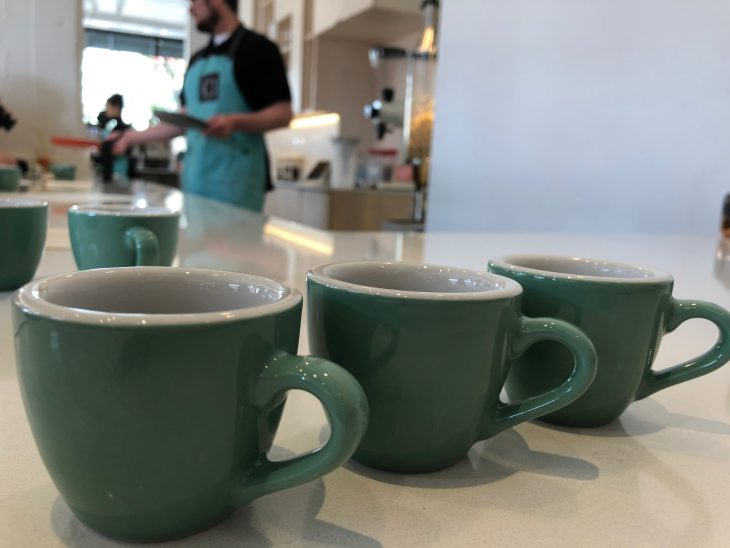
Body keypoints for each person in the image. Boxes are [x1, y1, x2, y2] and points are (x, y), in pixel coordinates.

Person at [113, 0, 293, 211]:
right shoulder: (197, 60)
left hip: (237, 186)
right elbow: (183, 121)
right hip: (195, 183)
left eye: (194, 1)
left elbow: (283, 113)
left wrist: (235, 122)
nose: (191, 9)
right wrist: (128, 138)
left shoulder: (259, 50)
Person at [95, 94, 135, 180]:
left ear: (116, 107)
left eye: (108, 107)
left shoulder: (118, 127)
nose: (106, 110)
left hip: (118, 169)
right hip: (111, 168)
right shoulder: (110, 125)